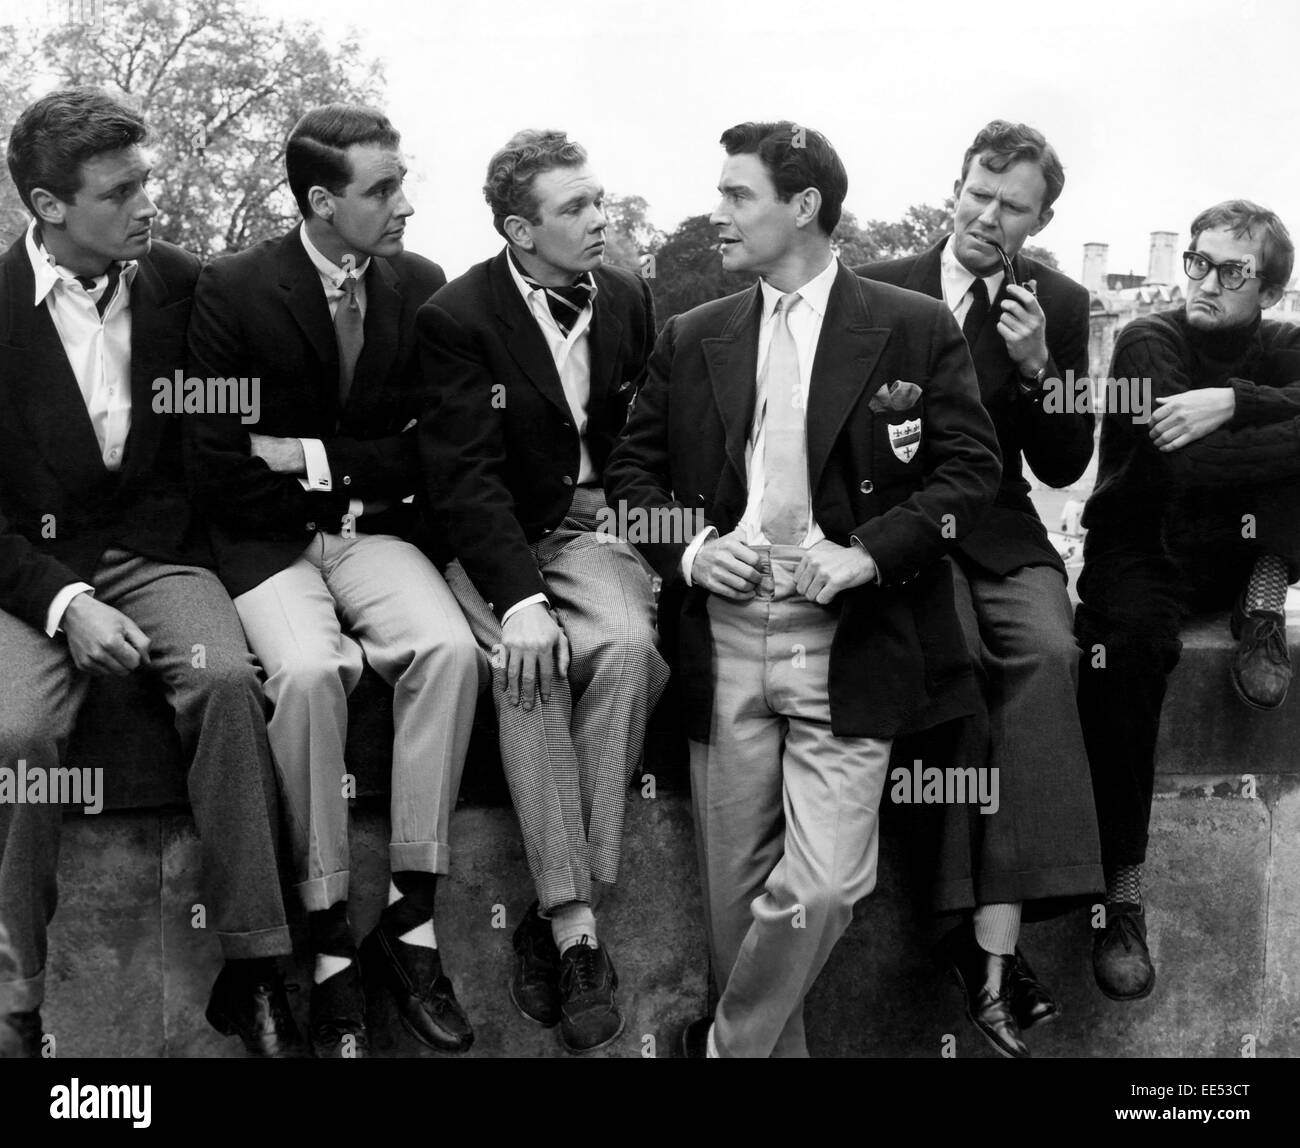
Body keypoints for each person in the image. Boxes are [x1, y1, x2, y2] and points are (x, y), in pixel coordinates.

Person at [605, 121, 1002, 1058]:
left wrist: (869, 552)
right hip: (729, 638)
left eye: (738, 194)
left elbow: (970, 477)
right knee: (735, 909)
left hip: (850, 641)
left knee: (824, 887)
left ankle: (722, 1049)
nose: (720, 211)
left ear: (805, 207)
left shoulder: (912, 325)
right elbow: (632, 479)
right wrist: (693, 554)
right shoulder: (692, 334)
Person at [0, 88, 299, 1058]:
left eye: (148, 180)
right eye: (120, 189)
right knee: (17, 735)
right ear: (48, 206)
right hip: (33, 572)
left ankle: (254, 969)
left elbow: (211, 441)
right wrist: (61, 601)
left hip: (158, 553)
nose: (147, 203)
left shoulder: (181, 282)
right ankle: (16, 1002)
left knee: (222, 679)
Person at [185, 104, 479, 1058]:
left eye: (402, 181)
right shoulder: (231, 288)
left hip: (375, 536)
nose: (404, 203)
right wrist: (351, 458)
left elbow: (429, 452)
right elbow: (217, 460)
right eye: (382, 189)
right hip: (265, 546)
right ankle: (324, 937)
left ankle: (411, 914)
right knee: (309, 675)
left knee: (446, 650)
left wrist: (308, 452)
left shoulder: (419, 285)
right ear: (320, 201)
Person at [417, 129, 668, 1054]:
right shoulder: (457, 319)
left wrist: (642, 530)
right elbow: (464, 480)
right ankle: (574, 930)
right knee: (530, 669)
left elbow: (641, 438)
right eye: (575, 209)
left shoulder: (631, 298)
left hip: (595, 529)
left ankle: (557, 909)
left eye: (599, 200)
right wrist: (519, 602)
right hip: (494, 540)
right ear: (520, 230)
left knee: (630, 650)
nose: (601, 219)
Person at [857, 120, 1104, 1057]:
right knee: (952, 666)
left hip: (1000, 528)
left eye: (1013, 207)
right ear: (953, 187)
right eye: (977, 195)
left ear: (1041, 219)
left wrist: (1043, 369)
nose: (988, 218)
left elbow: (1065, 460)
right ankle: (983, 950)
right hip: (905, 528)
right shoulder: (878, 284)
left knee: (1048, 655)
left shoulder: (1061, 303)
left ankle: (984, 939)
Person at [1076, 200, 1300, 1002]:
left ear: (1269, 290)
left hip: (1233, 553)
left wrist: (1234, 401)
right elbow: (1182, 471)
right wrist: (1277, 414)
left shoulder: (1285, 343)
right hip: (1143, 543)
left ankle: (1263, 599)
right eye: (1196, 262)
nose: (1204, 281)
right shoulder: (1147, 338)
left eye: (1232, 271)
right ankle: (1120, 893)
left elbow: (1216, 451)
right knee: (1125, 663)